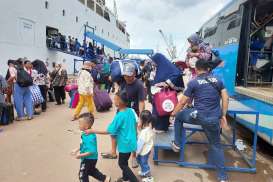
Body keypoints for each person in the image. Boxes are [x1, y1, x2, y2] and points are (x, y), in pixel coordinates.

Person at [170, 59, 229, 182]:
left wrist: (173, 113)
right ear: (208, 69)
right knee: (216, 146)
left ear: (196, 69)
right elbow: (225, 97)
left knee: (180, 117)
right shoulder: (218, 80)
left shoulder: (193, 82)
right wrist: (223, 115)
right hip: (213, 119)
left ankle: (177, 143)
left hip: (198, 117)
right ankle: (222, 177)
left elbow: (182, 102)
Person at [86, 91, 139, 182]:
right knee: (125, 160)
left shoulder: (119, 115)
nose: (113, 100)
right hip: (132, 141)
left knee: (122, 164)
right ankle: (125, 177)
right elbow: (135, 123)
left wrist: (93, 130)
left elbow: (109, 131)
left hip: (125, 144)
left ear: (119, 102)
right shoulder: (130, 111)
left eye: (115, 99)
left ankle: (134, 180)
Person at [101, 63, 145, 169]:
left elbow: (142, 102)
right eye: (125, 75)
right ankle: (113, 152)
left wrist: (140, 118)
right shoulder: (122, 80)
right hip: (121, 110)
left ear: (134, 73)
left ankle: (134, 156)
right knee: (114, 131)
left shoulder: (139, 85)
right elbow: (111, 79)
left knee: (133, 135)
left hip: (132, 112)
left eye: (130, 75)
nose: (127, 77)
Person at [71, 113, 111, 182]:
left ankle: (104, 178)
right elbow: (83, 144)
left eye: (80, 123)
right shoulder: (85, 133)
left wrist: (80, 155)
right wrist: (77, 149)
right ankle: (104, 179)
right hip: (91, 159)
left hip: (88, 159)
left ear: (86, 126)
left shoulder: (89, 137)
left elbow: (91, 151)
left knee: (82, 175)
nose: (78, 125)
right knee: (90, 171)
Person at [151, 53, 184, 133]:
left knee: (163, 108)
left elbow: (177, 74)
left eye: (154, 61)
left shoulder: (168, 67)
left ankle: (162, 127)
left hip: (165, 95)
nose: (153, 63)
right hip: (158, 94)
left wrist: (166, 83)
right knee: (159, 109)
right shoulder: (161, 67)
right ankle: (158, 126)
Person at [136, 110, 154, 182]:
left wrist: (136, 152)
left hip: (143, 150)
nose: (139, 120)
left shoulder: (144, 132)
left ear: (143, 121)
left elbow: (140, 143)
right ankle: (144, 171)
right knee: (141, 161)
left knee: (143, 162)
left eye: (140, 119)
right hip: (147, 149)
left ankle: (149, 177)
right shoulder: (148, 128)